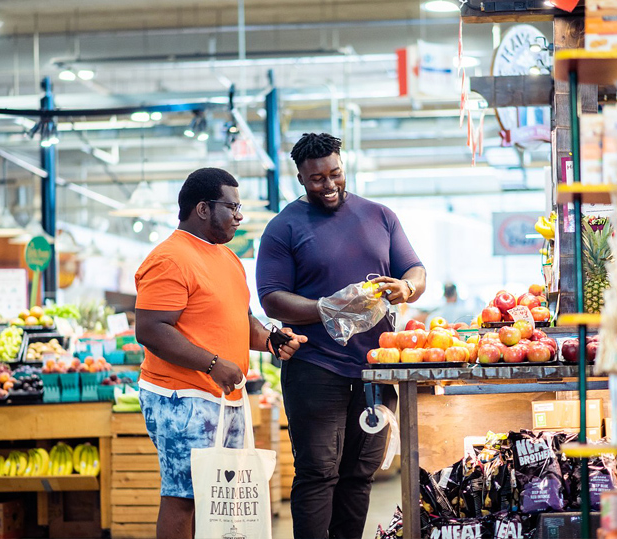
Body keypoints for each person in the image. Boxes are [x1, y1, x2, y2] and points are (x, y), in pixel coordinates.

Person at [256, 133, 426, 539]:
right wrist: (326, 308)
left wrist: (407, 289)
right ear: (300, 178)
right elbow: (271, 299)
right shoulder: (284, 228)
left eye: (335, 174)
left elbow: (415, 270)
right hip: (315, 368)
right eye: (317, 179)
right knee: (318, 472)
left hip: (376, 371)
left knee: (360, 473)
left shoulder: (380, 216)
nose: (329, 185)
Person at [134, 167, 307, 539]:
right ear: (202, 208)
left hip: (223, 397)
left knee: (219, 495)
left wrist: (270, 340)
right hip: (181, 397)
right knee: (184, 497)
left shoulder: (226, 259)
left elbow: (241, 320)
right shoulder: (170, 258)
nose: (239, 215)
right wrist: (212, 364)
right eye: (232, 206)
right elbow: (150, 329)